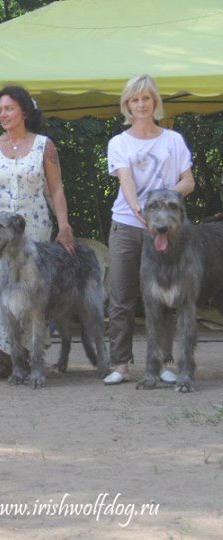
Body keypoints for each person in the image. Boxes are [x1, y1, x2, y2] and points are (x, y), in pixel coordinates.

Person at [0, 85, 74, 379]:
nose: (3, 114)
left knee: (33, 293)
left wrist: (64, 225)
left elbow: (56, 189)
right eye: (0, 110)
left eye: (8, 108)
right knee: (0, 292)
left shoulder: (45, 145)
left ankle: (34, 358)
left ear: (24, 111)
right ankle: (6, 358)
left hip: (35, 227)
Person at [103, 74, 194, 385]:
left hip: (167, 229)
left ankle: (165, 361)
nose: (140, 104)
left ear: (155, 102)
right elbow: (126, 181)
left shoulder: (173, 140)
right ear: (126, 105)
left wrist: (163, 202)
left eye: (146, 98)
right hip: (128, 225)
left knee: (167, 298)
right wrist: (141, 210)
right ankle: (119, 364)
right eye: (134, 100)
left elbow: (188, 181)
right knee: (121, 297)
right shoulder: (119, 142)